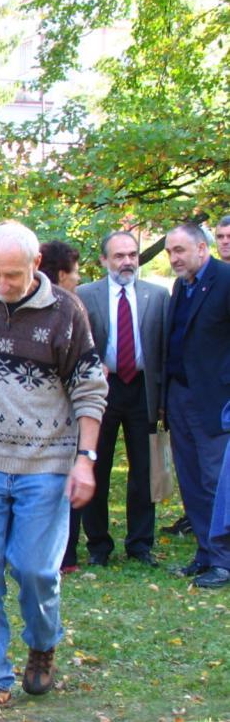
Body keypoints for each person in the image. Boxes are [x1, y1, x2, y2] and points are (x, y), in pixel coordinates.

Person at [0, 221, 107, 717]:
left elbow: (90, 389)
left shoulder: (67, 311)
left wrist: (85, 460)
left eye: (11, 275)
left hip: (46, 461)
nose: (1, 284)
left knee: (37, 569)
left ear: (36, 265)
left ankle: (43, 641)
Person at [76, 231, 168, 569]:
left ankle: (140, 544)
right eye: (119, 256)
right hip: (102, 391)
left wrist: (162, 400)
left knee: (143, 471)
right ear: (104, 260)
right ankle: (99, 544)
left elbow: (163, 349)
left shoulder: (157, 296)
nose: (127, 262)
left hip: (142, 390)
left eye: (132, 255)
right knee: (95, 466)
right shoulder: (86, 295)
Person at [163, 223, 230, 587]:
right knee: (190, 479)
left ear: (202, 249)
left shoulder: (225, 280)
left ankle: (224, 560)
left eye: (180, 251)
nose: (174, 258)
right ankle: (206, 554)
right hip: (180, 397)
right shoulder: (180, 287)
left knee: (216, 481)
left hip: (215, 400)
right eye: (170, 252)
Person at [39, 240, 84, 573]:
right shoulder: (62, 310)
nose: (79, 278)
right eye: (76, 271)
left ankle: (65, 554)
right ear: (61, 273)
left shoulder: (75, 307)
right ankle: (54, 554)